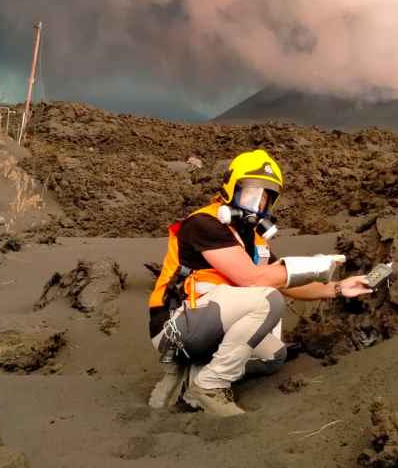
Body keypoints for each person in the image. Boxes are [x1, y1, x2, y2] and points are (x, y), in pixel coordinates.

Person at [147, 149, 372, 416]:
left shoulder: (255, 240)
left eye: (265, 197)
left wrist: (336, 288)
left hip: (207, 322)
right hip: (175, 326)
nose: (257, 203)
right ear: (232, 188)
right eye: (251, 192)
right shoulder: (204, 224)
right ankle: (209, 386)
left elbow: (286, 282)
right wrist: (315, 266)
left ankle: (193, 372)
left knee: (273, 355)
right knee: (267, 298)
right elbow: (253, 278)